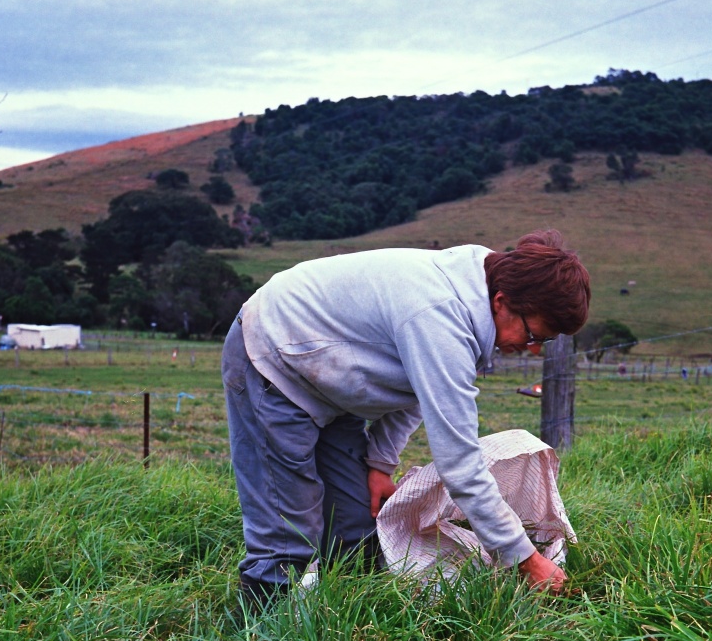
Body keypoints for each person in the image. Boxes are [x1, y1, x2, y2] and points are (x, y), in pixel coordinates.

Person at [221, 229, 590, 607]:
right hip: (274, 355)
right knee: (289, 531)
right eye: (533, 335)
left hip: (332, 376)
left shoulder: (476, 291)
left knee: (354, 527)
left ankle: (345, 628)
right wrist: (524, 559)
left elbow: (416, 386)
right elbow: (461, 466)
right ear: (501, 301)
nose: (530, 350)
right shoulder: (441, 316)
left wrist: (380, 463)